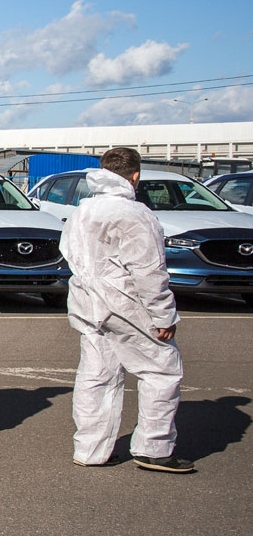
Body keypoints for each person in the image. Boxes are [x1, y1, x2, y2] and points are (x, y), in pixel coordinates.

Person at [60, 147, 191, 473]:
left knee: (97, 375)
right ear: (135, 176)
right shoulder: (136, 215)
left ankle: (91, 449)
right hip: (127, 307)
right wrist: (163, 315)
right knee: (162, 370)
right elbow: (149, 272)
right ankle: (154, 448)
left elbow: (70, 254)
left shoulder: (83, 211)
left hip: (89, 305)